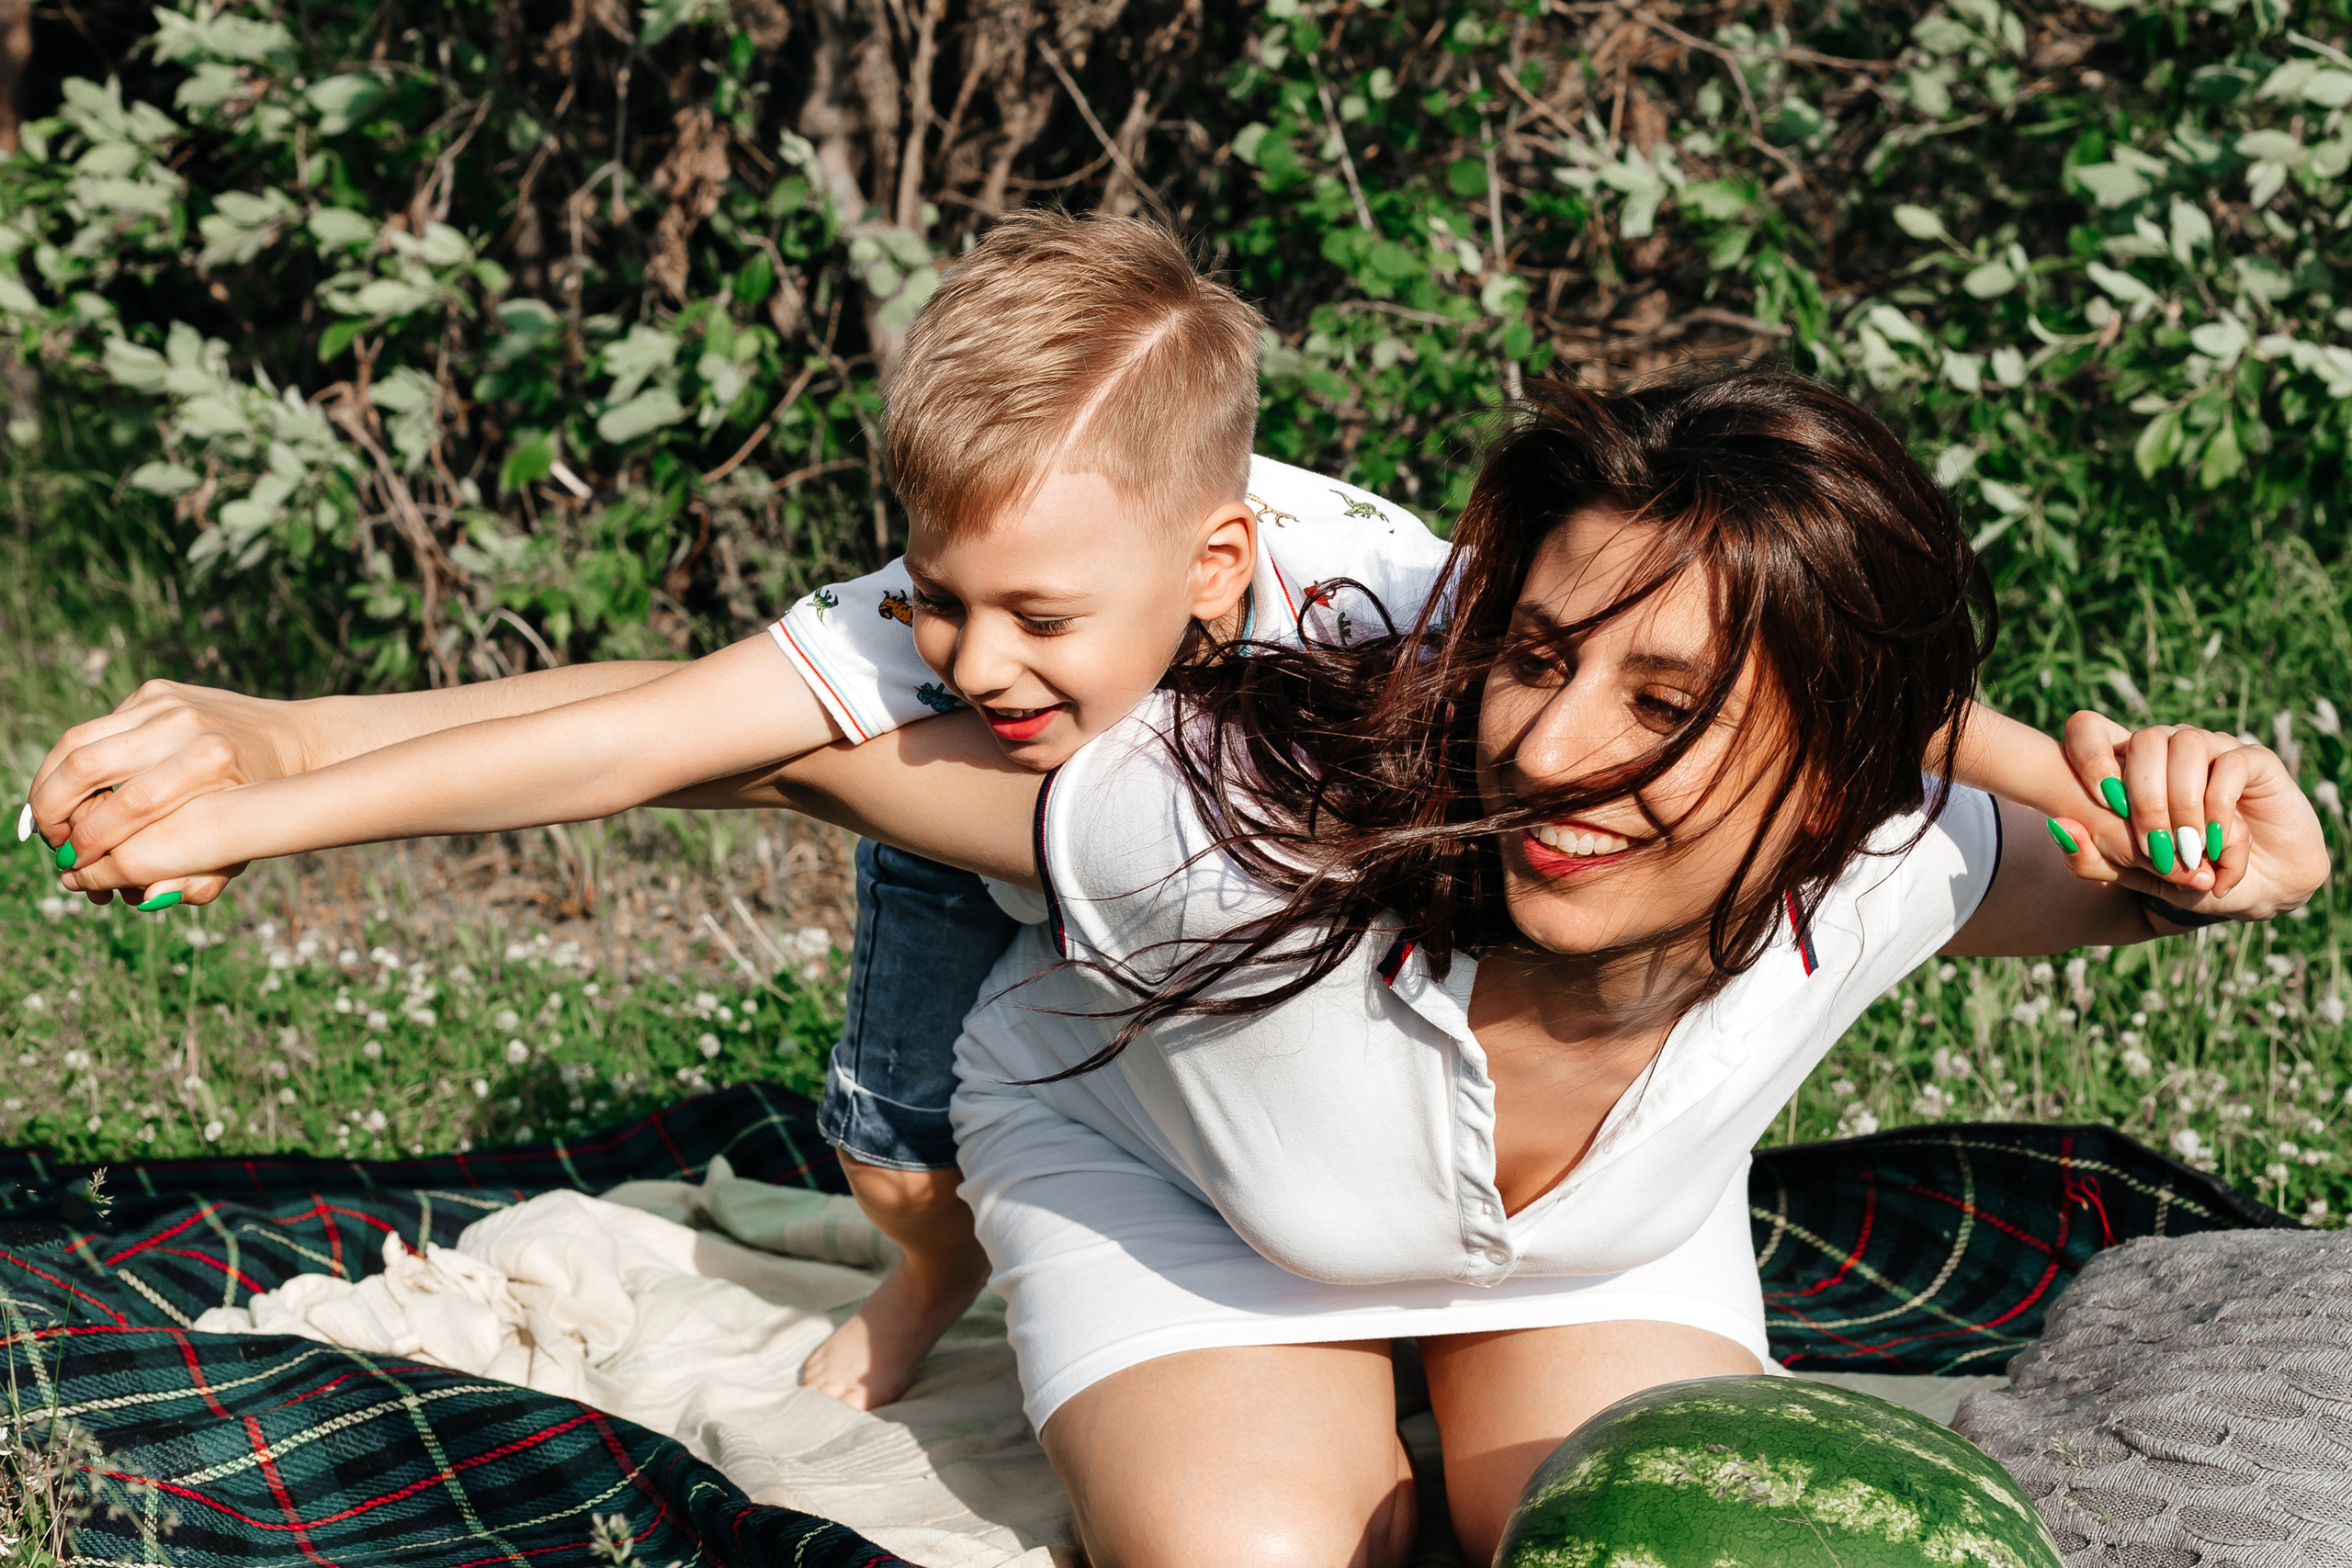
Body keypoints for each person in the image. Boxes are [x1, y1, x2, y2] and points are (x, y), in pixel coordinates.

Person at [42, 371, 2328, 1563]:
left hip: (1584, 1253)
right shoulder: (1208, 810)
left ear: (1832, 765)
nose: (1542, 747)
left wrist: (2242, 834)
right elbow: (742, 753)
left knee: (1624, 1538)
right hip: (1182, 1192)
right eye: (1528, 656)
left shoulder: (1904, 848)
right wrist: (288, 752)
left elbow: (2169, 868)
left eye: (1656, 709)